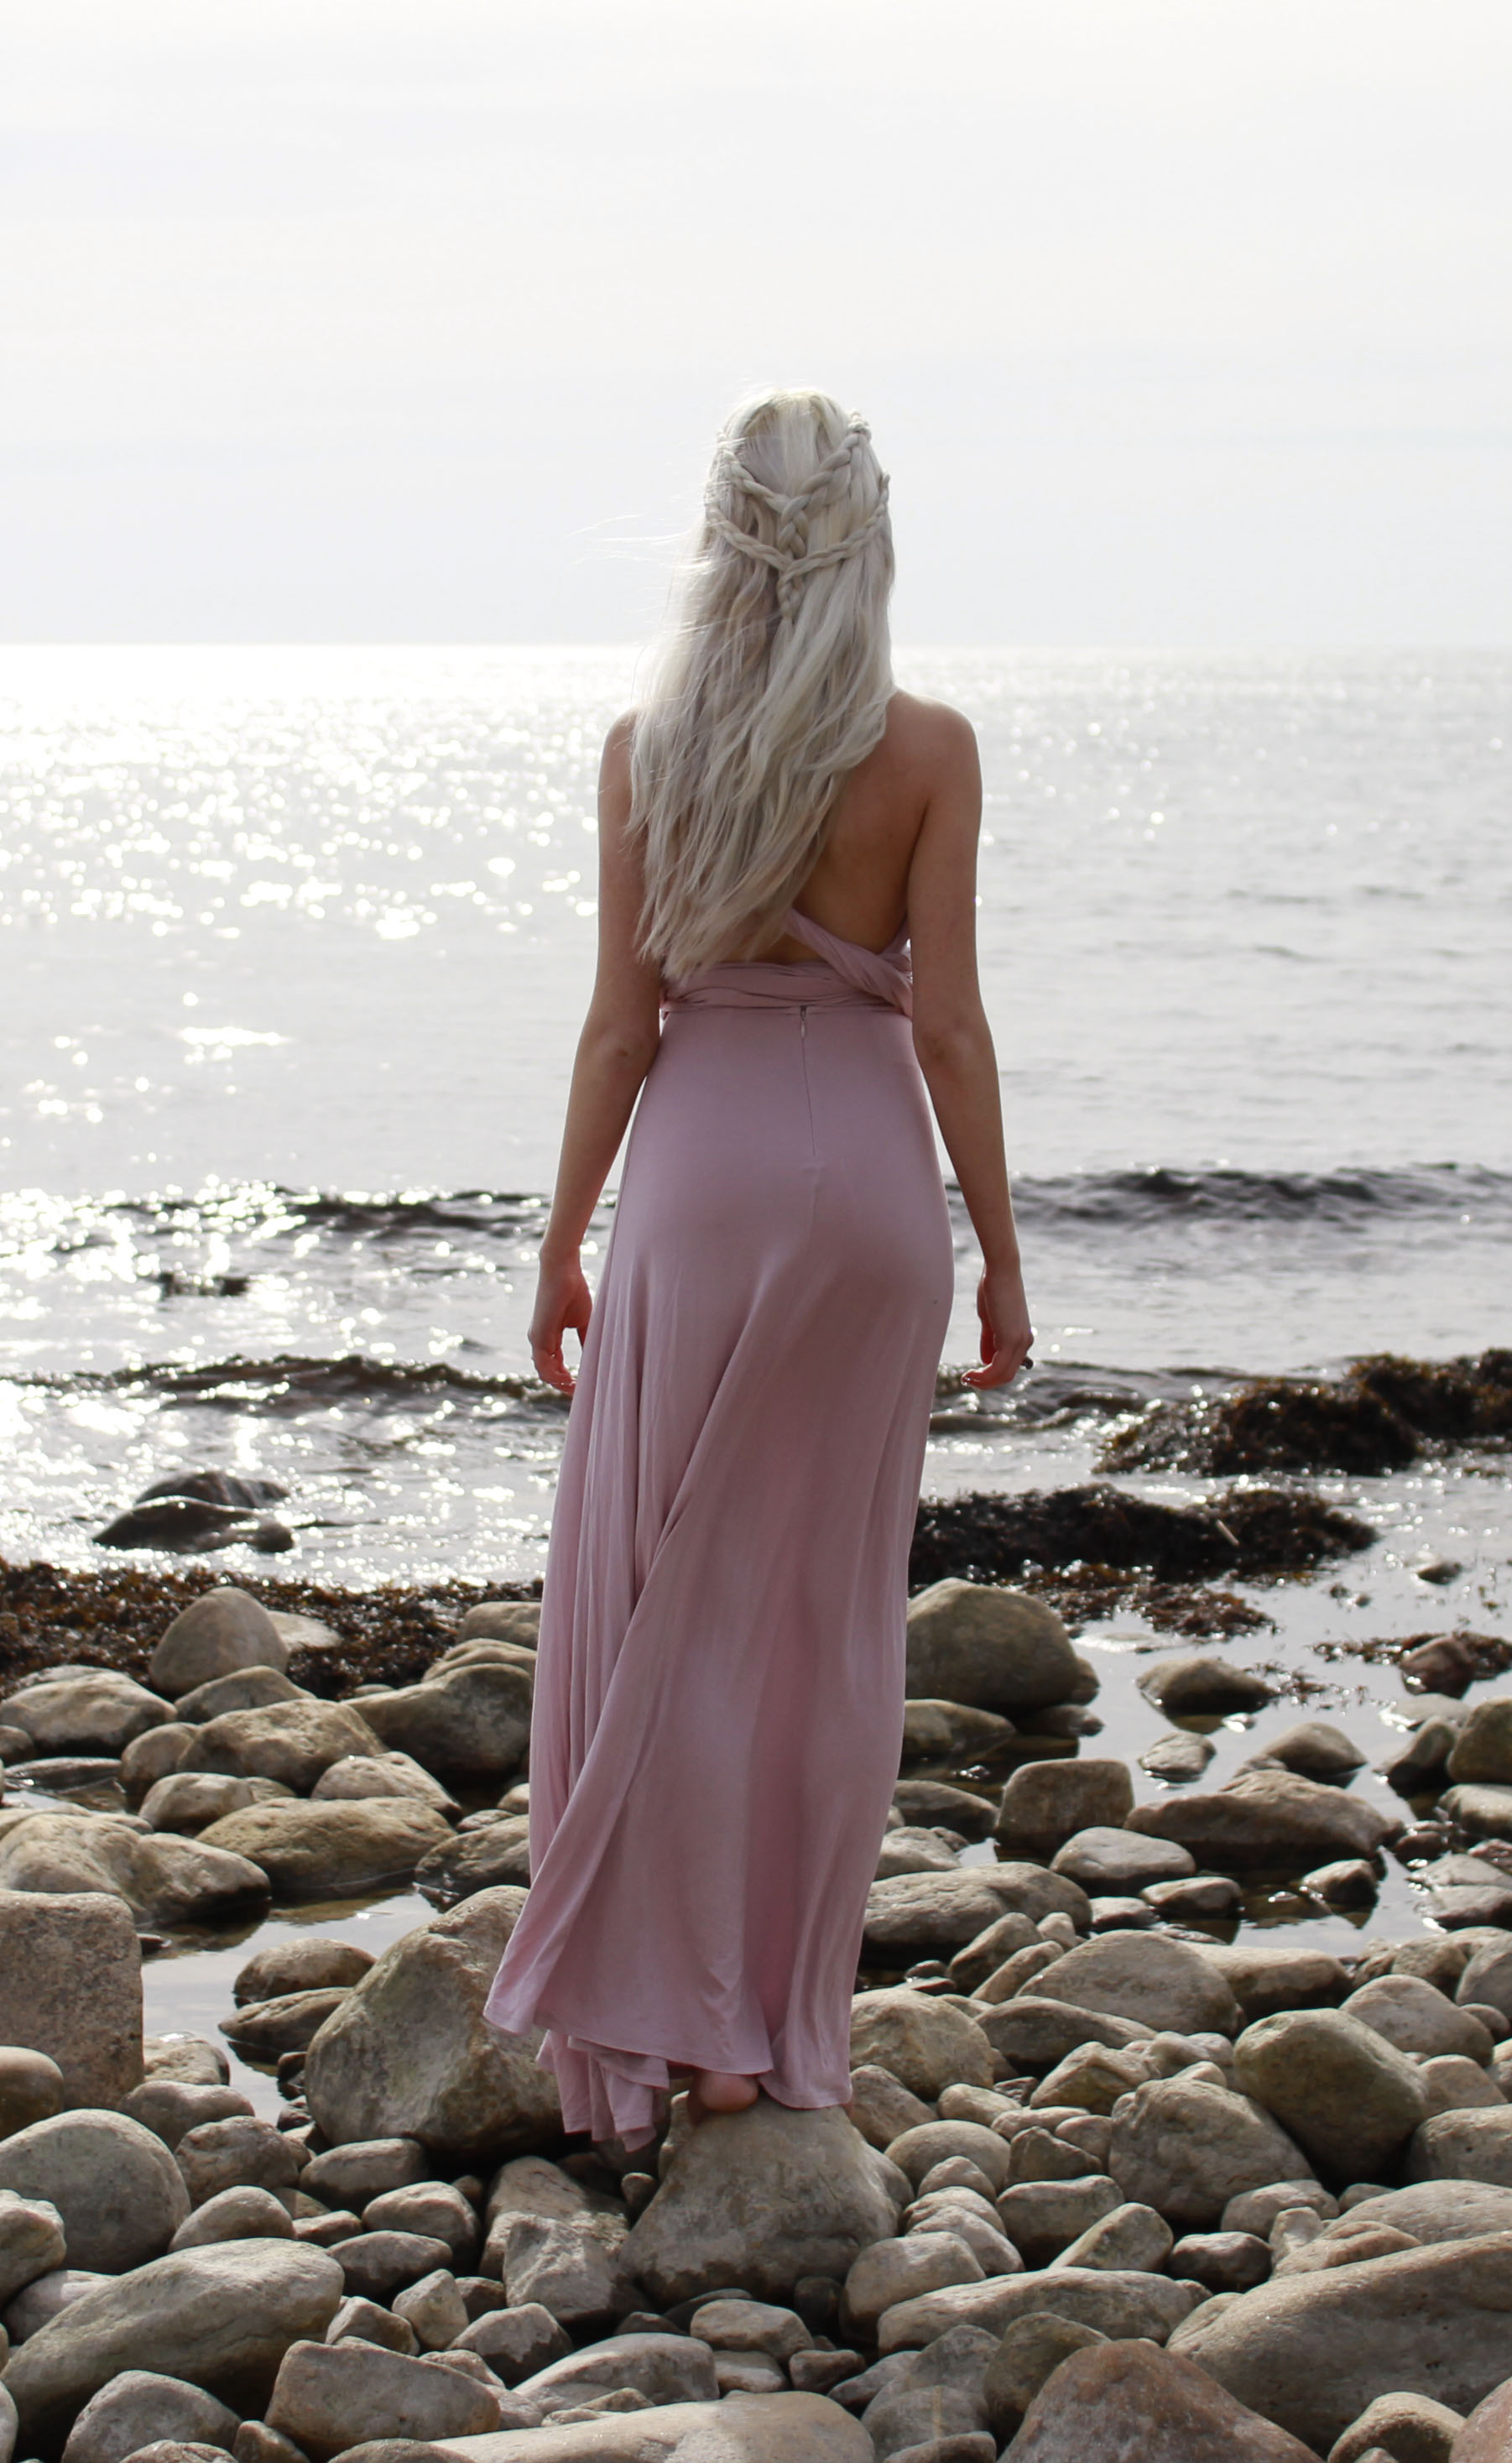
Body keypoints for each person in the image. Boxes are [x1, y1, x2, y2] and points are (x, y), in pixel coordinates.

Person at [482, 388, 1033, 2150]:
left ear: (720, 540)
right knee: (824, 1629)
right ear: (872, 539)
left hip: (702, 1194)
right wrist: (1002, 1256)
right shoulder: (929, 749)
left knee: (667, 1617)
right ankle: (783, 2031)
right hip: (870, 1197)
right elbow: (946, 1026)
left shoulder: (651, 748)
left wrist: (562, 1238)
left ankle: (679, 2023)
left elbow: (614, 1028)